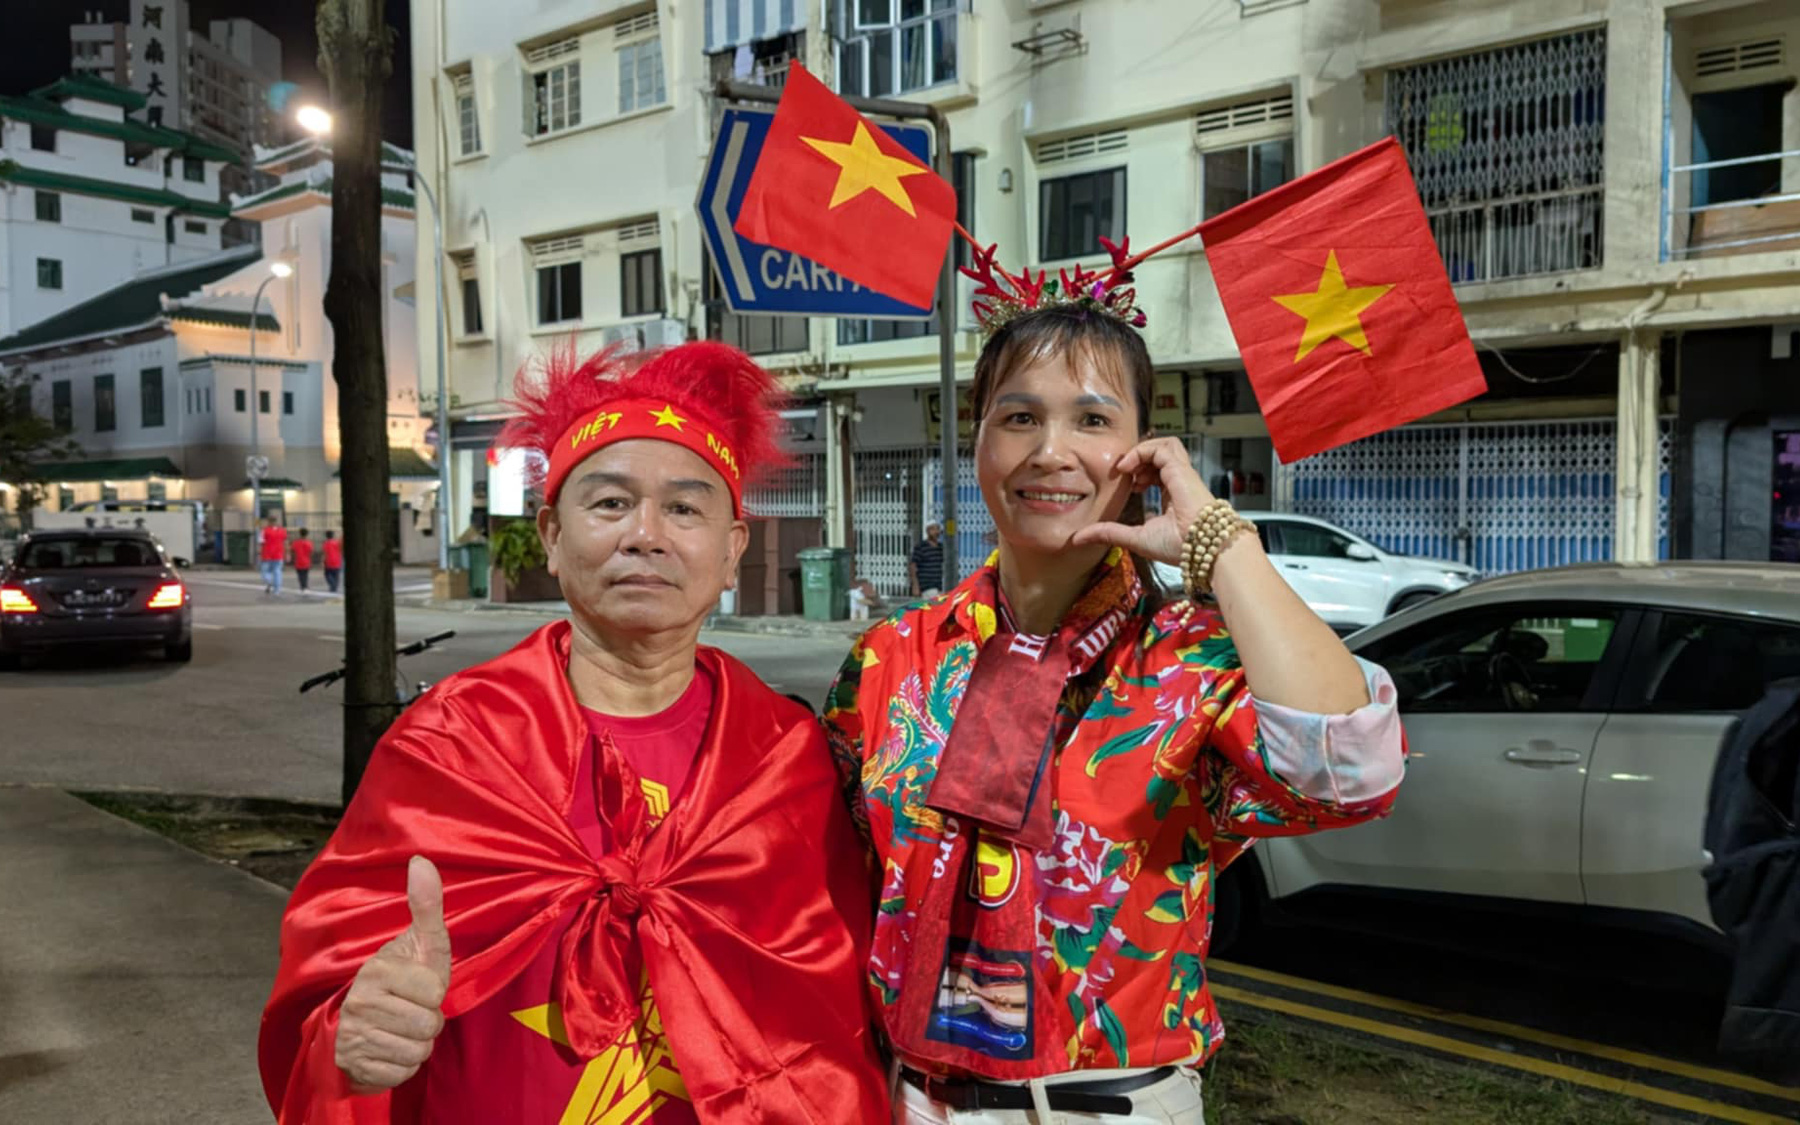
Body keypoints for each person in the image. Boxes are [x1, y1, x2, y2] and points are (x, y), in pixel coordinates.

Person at [261, 342, 889, 1124]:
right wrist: (357, 1034)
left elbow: (836, 1019)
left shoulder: (788, 760)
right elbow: (333, 1003)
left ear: (733, 552)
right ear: (552, 536)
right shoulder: (452, 744)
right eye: (610, 503)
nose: (646, 535)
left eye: (685, 508)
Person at [824, 287, 1406, 1122]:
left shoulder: (1192, 658)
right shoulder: (893, 657)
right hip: (909, 1097)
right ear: (979, 441)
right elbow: (836, 879)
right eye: (1018, 417)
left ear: (1145, 452)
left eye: (1093, 421)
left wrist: (1216, 540)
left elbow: (1349, 769)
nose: (1051, 451)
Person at [909, 522, 944, 598]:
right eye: (933, 529)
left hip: (939, 586)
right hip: (927, 587)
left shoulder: (941, 548)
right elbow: (913, 566)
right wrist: (915, 585)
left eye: (937, 529)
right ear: (928, 531)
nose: (936, 532)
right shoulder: (921, 547)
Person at [259, 516, 288, 596]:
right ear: (276, 521)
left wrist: (259, 553)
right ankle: (277, 590)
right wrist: (287, 553)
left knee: (264, 572)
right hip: (278, 554)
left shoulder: (264, 531)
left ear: (268, 522)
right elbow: (285, 542)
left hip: (267, 555)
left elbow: (261, 542)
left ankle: (270, 582)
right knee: (277, 572)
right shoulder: (282, 531)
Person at [293, 528, 315, 595]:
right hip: (306, 561)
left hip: (298, 560)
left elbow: (293, 551)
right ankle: (305, 586)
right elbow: (311, 552)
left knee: (300, 575)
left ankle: (302, 586)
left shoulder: (296, 542)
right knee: (305, 575)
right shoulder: (309, 543)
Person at [323, 529, 343, 594]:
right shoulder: (337, 543)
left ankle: (332, 585)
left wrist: (323, 561)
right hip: (337, 561)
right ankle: (335, 587)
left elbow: (325, 553)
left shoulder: (326, 543)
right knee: (336, 575)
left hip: (329, 561)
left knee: (327, 574)